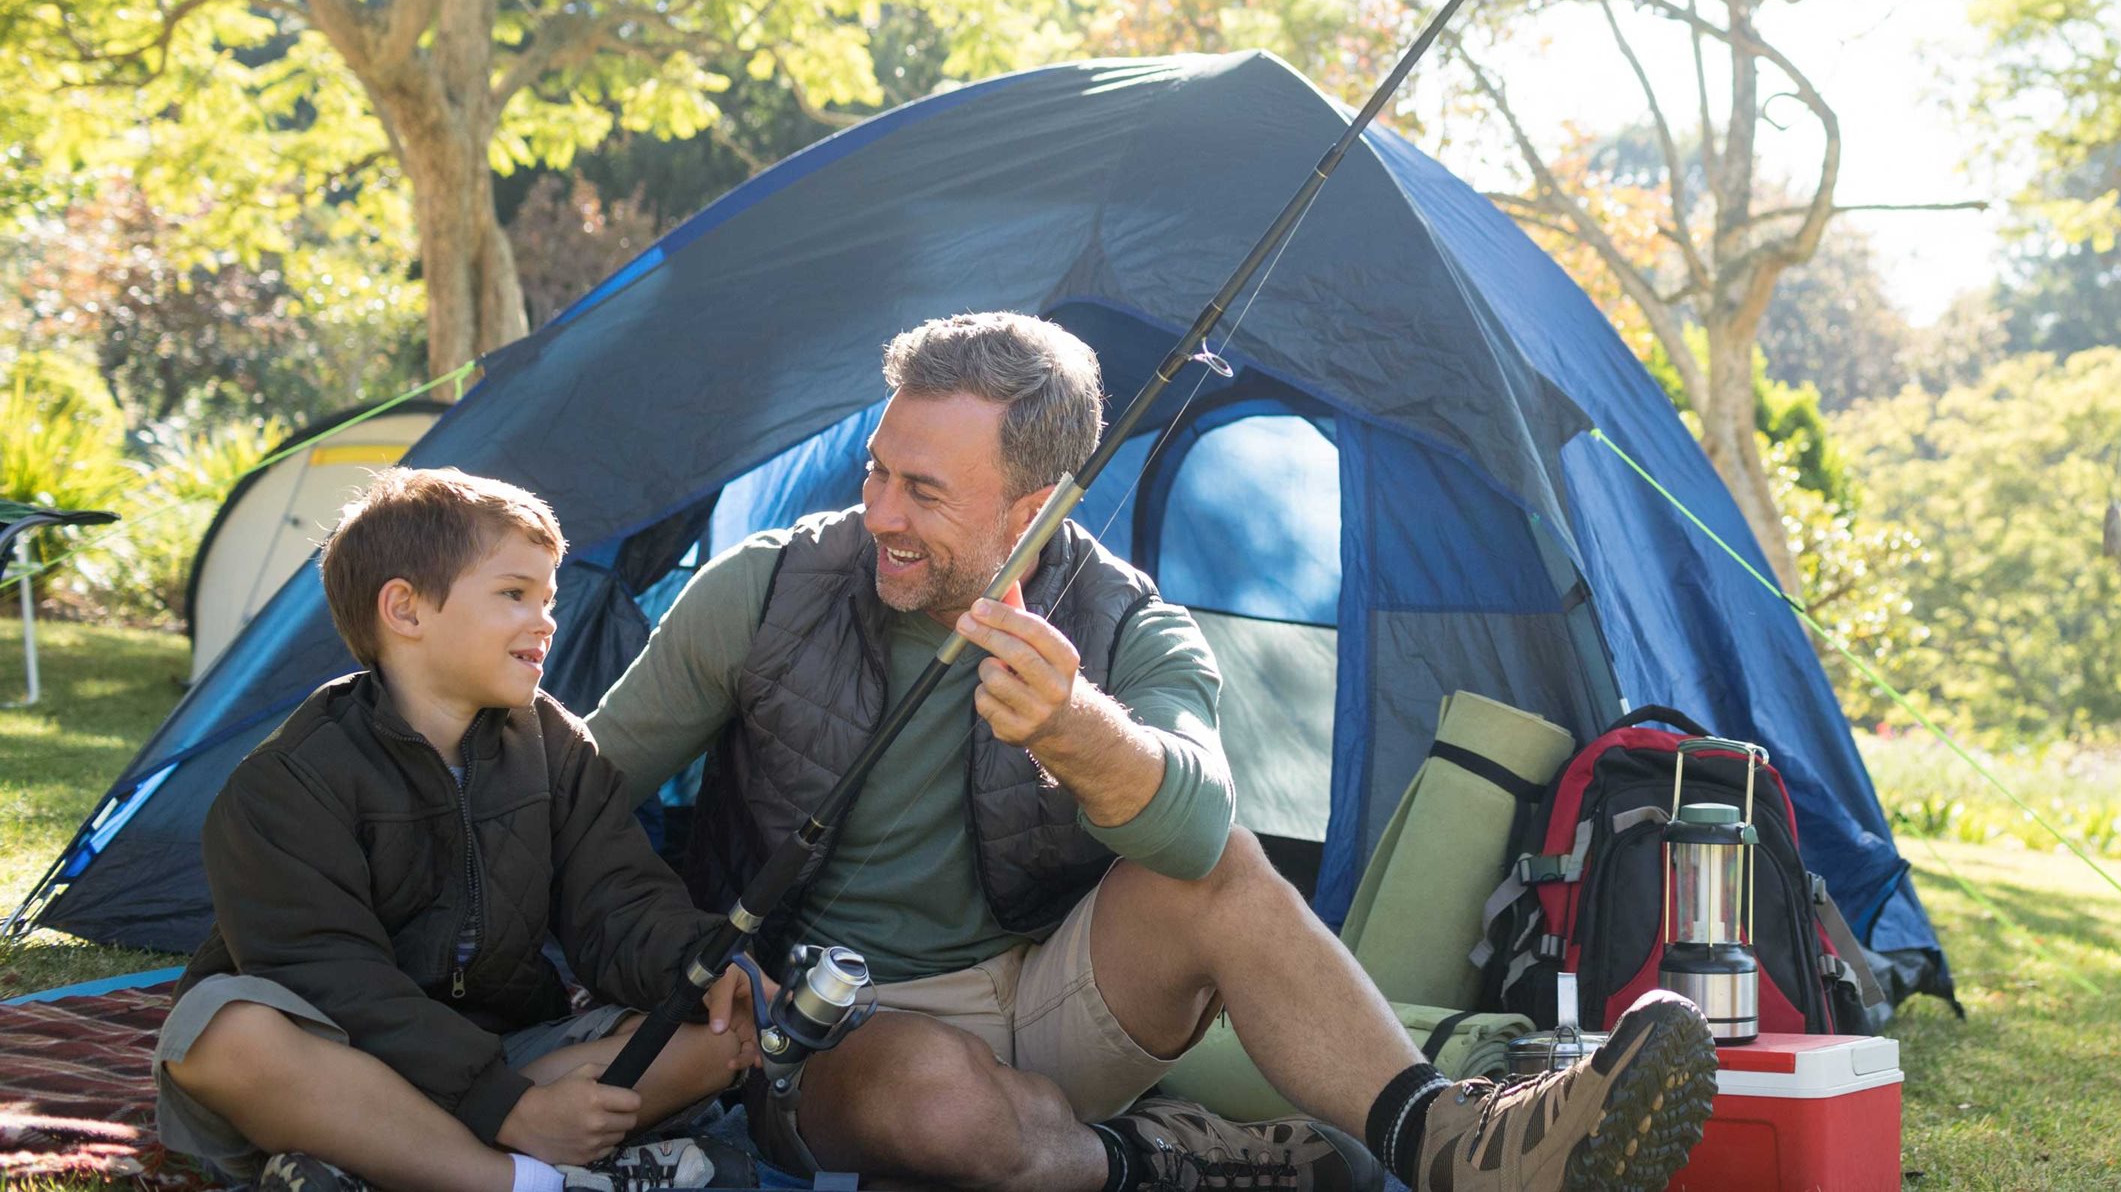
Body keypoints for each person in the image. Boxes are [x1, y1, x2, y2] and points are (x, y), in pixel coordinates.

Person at [588, 311, 1716, 1192]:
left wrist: (1075, 726)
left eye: (924, 491)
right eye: (877, 470)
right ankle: (1190, 1157)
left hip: (1057, 992)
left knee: (1218, 873)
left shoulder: (1130, 626)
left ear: (1033, 506)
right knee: (936, 1116)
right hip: (838, 1034)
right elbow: (581, 795)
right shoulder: (766, 589)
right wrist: (685, 949)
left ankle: (1456, 1142)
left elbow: (1191, 822)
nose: (880, 511)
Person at [155, 468, 764, 1192]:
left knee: (717, 1039)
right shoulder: (289, 781)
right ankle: (522, 1180)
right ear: (405, 611)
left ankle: (383, 1166)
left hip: (502, 1048)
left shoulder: (555, 747)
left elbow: (619, 902)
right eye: (514, 594)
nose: (546, 622)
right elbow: (333, 981)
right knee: (222, 1036)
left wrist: (696, 966)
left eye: (548, 599)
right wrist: (506, 1109)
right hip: (343, 1057)